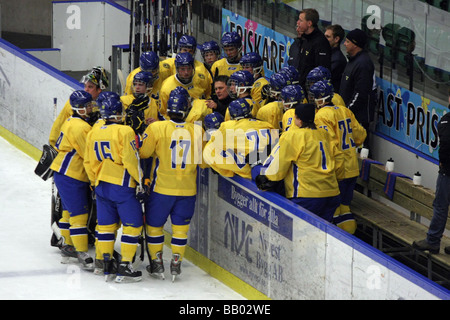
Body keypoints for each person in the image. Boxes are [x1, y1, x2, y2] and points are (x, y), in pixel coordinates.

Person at [138, 92, 207, 281]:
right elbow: (203, 162)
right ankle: (176, 263)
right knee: (180, 230)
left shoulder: (157, 128)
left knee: (154, 227)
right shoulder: (198, 131)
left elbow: (143, 153)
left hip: (162, 189)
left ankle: (157, 262)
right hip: (187, 190)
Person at [84, 96, 144, 282]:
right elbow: (130, 159)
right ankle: (125, 265)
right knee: (133, 225)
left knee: (105, 226)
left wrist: (94, 182)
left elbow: (89, 161)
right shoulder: (125, 131)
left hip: (101, 184)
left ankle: (104, 262)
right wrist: (139, 182)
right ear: (119, 113)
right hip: (122, 185)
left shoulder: (94, 132)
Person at [255, 103, 341, 223]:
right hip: (332, 192)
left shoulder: (293, 135)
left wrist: (267, 177)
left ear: (299, 120)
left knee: (301, 235)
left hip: (307, 195)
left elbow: (279, 164)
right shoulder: (324, 134)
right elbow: (338, 158)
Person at [310, 80, 366, 234]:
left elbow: (329, 143)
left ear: (320, 97)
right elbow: (360, 134)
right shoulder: (344, 110)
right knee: (345, 207)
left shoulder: (321, 115)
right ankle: (351, 241)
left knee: (334, 209)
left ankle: (339, 246)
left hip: (338, 169)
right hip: (352, 167)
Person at [50, 90, 97, 270]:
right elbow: (89, 155)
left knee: (68, 212)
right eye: (87, 106)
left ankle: (68, 246)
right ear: (79, 108)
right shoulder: (81, 127)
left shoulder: (71, 121)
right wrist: (95, 179)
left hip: (63, 173)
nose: (90, 108)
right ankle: (81, 252)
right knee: (79, 215)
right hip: (72, 175)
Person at [413, 93, 450, 255]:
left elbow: (446, 146)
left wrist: (443, 163)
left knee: (440, 207)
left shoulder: (446, 121)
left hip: (447, 174)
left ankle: (433, 241)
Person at [203, 98, 276, 180]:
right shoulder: (267, 125)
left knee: (209, 149)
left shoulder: (229, 126)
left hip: (253, 170)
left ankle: (233, 171)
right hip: (274, 165)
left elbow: (214, 141)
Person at [339, 28, 375, 148]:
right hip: (350, 115)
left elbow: (361, 93)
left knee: (361, 150)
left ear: (355, 45)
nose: (344, 44)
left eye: (348, 41)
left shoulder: (363, 64)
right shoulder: (353, 61)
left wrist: (347, 111)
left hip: (358, 118)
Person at [159, 52, 212, 117]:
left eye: (189, 69)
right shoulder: (167, 87)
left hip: (198, 122)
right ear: (177, 69)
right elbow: (163, 113)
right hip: (177, 121)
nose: (186, 72)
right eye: (182, 69)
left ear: (193, 68)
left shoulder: (201, 79)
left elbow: (208, 96)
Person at [295, 8, 331, 88]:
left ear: (309, 23)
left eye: (300, 20)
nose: (297, 23)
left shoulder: (320, 43)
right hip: (302, 86)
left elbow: (322, 71)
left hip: (312, 90)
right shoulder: (305, 38)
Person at [324, 24, 347, 92]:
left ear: (336, 39)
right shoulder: (327, 53)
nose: (324, 39)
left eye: (327, 37)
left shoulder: (338, 59)